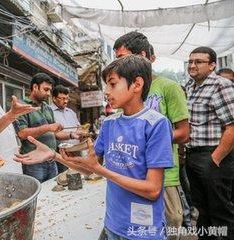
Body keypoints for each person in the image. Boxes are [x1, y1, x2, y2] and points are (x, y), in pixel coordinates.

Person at [15, 55, 174, 239]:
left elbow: (153, 190)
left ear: (137, 85)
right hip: (113, 223)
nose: (106, 91)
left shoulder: (156, 124)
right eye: (106, 85)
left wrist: (101, 170)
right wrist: (54, 155)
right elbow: (90, 169)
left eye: (112, 84)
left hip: (141, 230)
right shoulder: (110, 122)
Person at [113, 31, 190, 239]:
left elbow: (183, 133)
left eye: (122, 58)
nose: (117, 65)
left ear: (143, 55)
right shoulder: (124, 89)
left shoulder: (168, 87)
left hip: (163, 176)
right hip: (133, 175)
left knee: (170, 224)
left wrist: (149, 139)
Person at [185, 46, 234, 239]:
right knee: (202, 210)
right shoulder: (190, 86)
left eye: (198, 62)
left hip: (213, 156)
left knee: (220, 211)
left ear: (212, 65)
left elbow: (232, 127)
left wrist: (215, 159)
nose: (193, 65)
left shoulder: (221, 85)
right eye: (190, 61)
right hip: (193, 155)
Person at [14, 73, 80, 183]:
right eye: (46, 89)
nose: (49, 94)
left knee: (53, 192)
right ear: (35, 87)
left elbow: (55, 133)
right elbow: (22, 133)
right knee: (38, 194)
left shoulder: (47, 108)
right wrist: (48, 127)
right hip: (34, 163)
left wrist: (72, 135)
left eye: (50, 90)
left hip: (51, 159)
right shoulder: (23, 106)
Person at [50, 84, 80, 173]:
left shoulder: (71, 112)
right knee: (64, 177)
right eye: (62, 98)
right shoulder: (49, 112)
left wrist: (81, 133)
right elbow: (52, 133)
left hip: (76, 150)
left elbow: (78, 127)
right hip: (61, 153)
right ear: (54, 98)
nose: (66, 101)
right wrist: (71, 135)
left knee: (78, 174)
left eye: (67, 98)